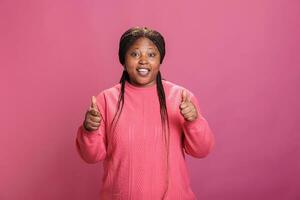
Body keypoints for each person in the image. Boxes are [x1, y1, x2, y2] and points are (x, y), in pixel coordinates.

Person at [75, 26, 215, 200]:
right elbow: (91, 156)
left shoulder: (181, 97)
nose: (143, 60)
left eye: (151, 54)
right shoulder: (106, 100)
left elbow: (201, 151)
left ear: (160, 60)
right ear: (123, 61)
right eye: (134, 54)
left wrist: (193, 121)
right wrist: (89, 130)